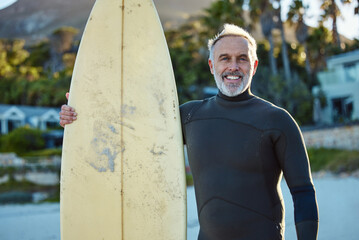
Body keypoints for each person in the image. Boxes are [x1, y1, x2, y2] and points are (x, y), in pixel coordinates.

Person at [59, 24, 319, 240]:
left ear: (254, 65)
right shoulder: (189, 116)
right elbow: (132, 131)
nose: (233, 66)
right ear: (211, 65)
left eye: (242, 58)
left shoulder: (277, 120)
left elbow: (303, 192)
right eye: (224, 58)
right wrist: (83, 112)